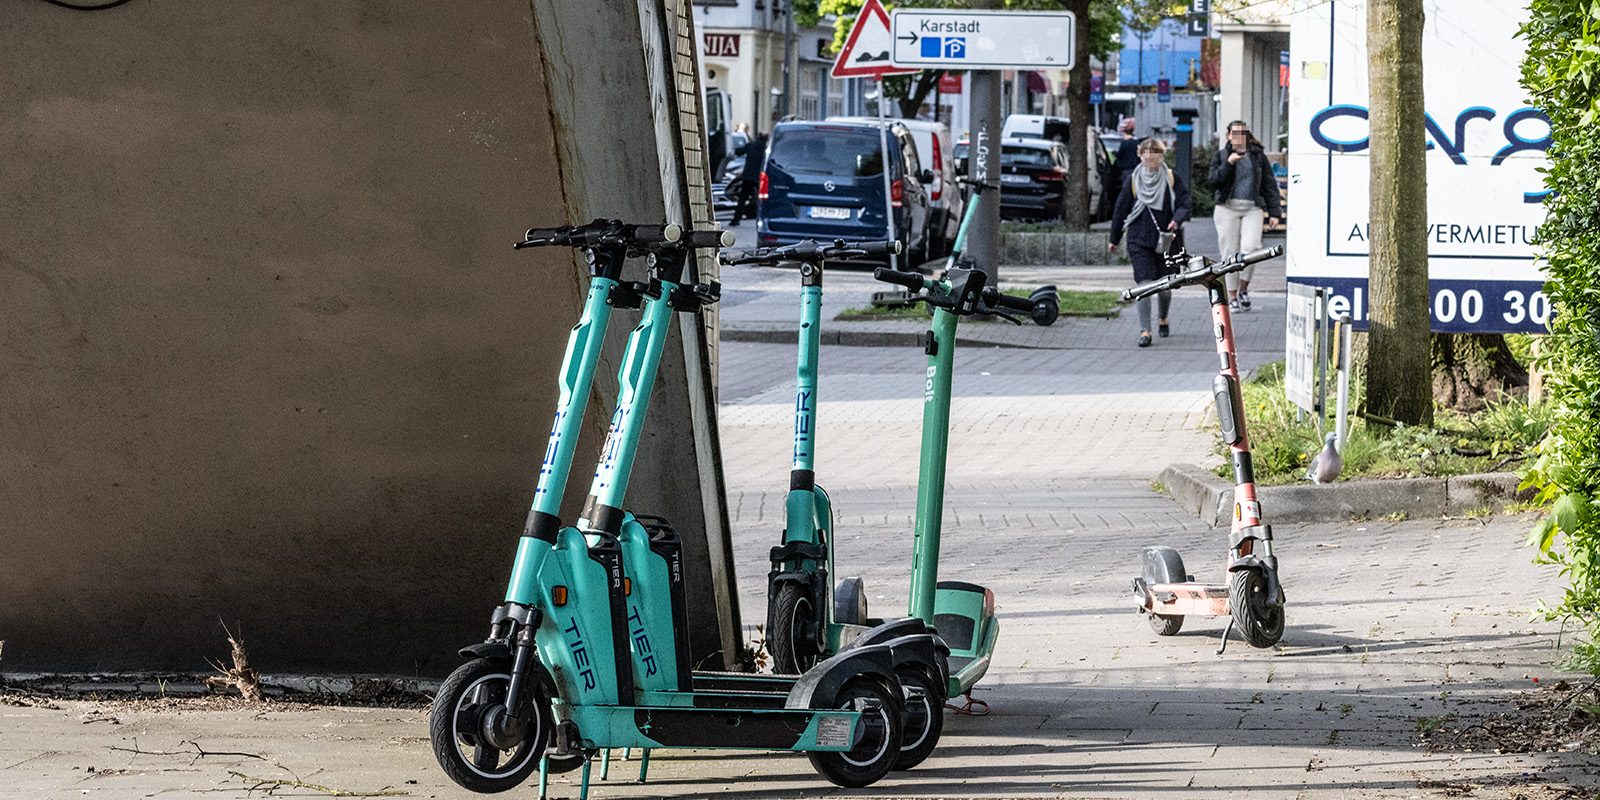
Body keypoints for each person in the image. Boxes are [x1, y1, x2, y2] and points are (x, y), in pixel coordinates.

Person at [1108, 138, 1191, 348]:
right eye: (1146, 156)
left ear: (1161, 157)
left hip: (1166, 240)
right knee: (1144, 285)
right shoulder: (1133, 181)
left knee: (1165, 286)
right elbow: (1121, 210)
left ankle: (1163, 318)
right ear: (1140, 156)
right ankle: (1145, 331)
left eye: (1155, 156)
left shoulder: (1171, 178)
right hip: (1139, 239)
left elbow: (1184, 203)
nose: (1150, 161)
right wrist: (1114, 239)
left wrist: (1176, 219)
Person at [1208, 120, 1283, 312]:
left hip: (1252, 208)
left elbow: (1269, 184)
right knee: (1229, 253)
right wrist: (1229, 163)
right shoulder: (1222, 155)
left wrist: (1275, 213)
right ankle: (1231, 295)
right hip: (1227, 208)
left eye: (1243, 132)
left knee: (1251, 250)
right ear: (1228, 136)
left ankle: (1243, 288)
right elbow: (1214, 181)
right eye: (1235, 133)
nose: (1238, 136)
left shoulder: (1257, 156)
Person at [729, 129, 767, 227]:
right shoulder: (766, 149)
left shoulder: (751, 145)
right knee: (761, 199)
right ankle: (761, 220)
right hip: (760, 178)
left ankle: (736, 219)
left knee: (742, 199)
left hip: (748, 177)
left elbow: (738, 152)